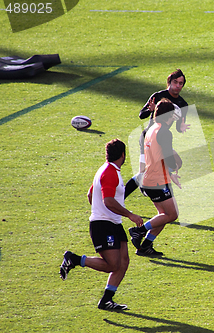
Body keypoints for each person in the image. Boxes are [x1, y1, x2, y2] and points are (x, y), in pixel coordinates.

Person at [59, 139, 143, 310]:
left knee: (124, 261)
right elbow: (108, 200)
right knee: (112, 264)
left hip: (112, 223)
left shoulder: (107, 170)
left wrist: (102, 211)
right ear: (122, 155)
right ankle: (75, 259)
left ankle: (106, 300)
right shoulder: (110, 173)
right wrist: (130, 214)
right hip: (103, 225)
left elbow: (90, 194)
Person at [124, 69, 190, 198]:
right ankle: (124, 196)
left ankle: (154, 185)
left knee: (177, 162)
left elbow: (177, 127)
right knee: (143, 172)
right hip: (148, 138)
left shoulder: (183, 104)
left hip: (162, 139)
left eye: (180, 83)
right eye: (175, 82)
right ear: (169, 82)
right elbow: (141, 115)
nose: (177, 86)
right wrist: (152, 111)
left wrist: (181, 127)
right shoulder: (158, 96)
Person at [128, 99, 182, 257]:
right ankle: (139, 231)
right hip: (157, 180)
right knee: (172, 215)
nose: (173, 118)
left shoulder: (151, 129)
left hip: (150, 179)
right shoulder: (165, 131)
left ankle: (145, 246)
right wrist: (174, 169)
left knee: (162, 216)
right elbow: (167, 156)